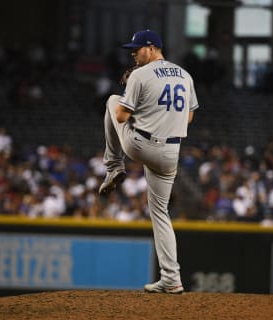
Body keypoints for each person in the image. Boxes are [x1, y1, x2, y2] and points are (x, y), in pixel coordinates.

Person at [98, 29, 199, 294]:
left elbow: (120, 118)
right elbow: (188, 118)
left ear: (152, 48)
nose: (133, 53)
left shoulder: (140, 75)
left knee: (111, 101)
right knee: (161, 213)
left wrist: (139, 102)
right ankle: (172, 278)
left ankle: (113, 167)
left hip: (141, 145)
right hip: (171, 154)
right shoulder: (185, 75)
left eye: (137, 48)